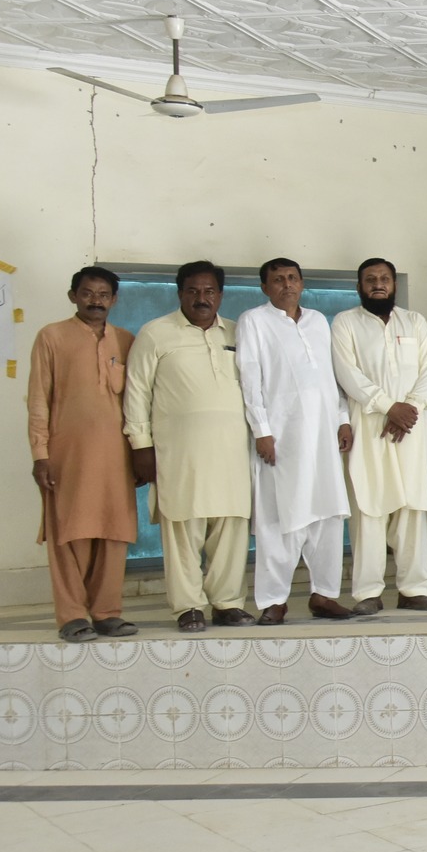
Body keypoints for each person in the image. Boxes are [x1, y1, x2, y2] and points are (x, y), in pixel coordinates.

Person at [123, 260, 254, 633]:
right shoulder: (155, 334)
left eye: (209, 291)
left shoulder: (239, 333)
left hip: (233, 453)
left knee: (231, 526)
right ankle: (188, 607)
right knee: (183, 527)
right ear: (179, 293)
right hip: (179, 454)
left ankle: (227, 603)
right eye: (193, 290)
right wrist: (140, 446)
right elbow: (136, 392)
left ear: (220, 295)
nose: (201, 298)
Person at [238, 257, 355, 624]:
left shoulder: (318, 321)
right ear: (265, 287)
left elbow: (332, 377)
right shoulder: (254, 321)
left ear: (302, 283)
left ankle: (325, 595)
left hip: (323, 437)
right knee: (278, 517)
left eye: (292, 278)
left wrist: (343, 419)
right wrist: (262, 430)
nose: (286, 284)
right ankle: (274, 601)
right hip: (281, 437)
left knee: (328, 514)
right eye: (278, 279)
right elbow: (250, 378)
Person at [27, 266, 139, 640]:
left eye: (103, 295)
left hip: (117, 458)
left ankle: (107, 613)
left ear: (114, 300)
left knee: (114, 532)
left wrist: (141, 453)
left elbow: (139, 402)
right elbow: (38, 399)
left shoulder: (126, 341)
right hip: (67, 456)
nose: (96, 301)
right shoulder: (52, 337)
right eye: (88, 293)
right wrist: (40, 454)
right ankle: (72, 615)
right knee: (70, 533)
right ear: (73, 296)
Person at [331, 257, 427, 614]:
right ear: (359, 287)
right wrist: (387, 407)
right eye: (370, 279)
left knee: (411, 508)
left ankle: (414, 590)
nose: (378, 284)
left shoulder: (415, 322)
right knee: (369, 508)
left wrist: (408, 407)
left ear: (394, 285)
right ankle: (367, 594)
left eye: (384, 279)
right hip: (370, 428)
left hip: (412, 428)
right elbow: (347, 374)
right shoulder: (345, 322)